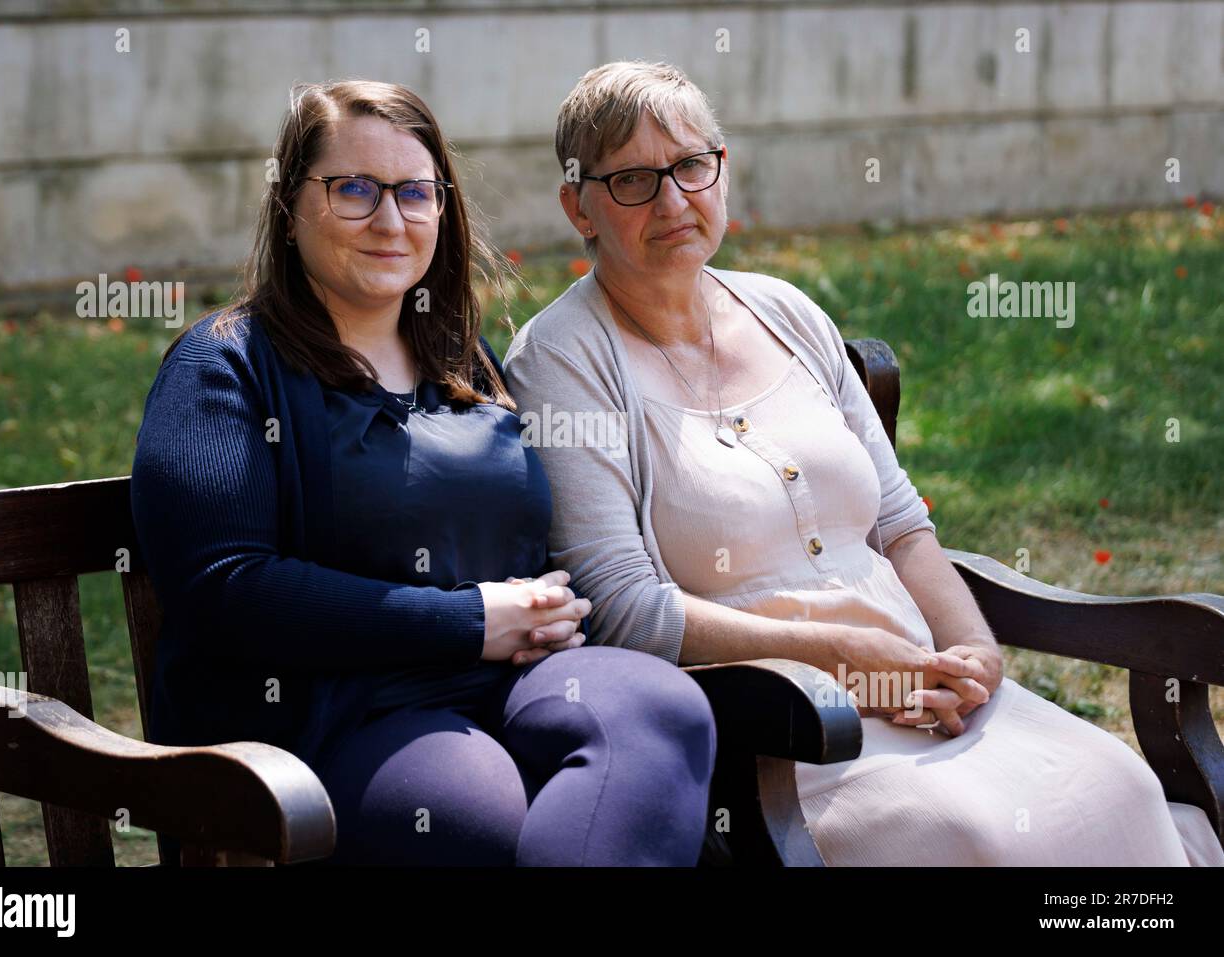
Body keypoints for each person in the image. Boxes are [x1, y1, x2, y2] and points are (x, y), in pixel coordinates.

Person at [502, 60, 1224, 866]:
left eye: (691, 166)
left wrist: (973, 652)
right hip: (783, 731)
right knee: (974, 837)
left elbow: (902, 525)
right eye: (633, 180)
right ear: (579, 206)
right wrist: (850, 658)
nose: (673, 200)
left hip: (929, 693)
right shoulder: (563, 360)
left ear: (723, 169)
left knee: (1115, 785)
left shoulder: (785, 311)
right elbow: (630, 611)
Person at [130, 78, 716, 866]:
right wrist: (469, 620)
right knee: (468, 807)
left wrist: (542, 607)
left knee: (658, 710)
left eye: (414, 192)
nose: (389, 218)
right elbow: (224, 589)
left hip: (509, 685)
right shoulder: (226, 366)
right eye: (353, 190)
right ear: (289, 204)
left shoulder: (460, 361)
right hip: (331, 717)